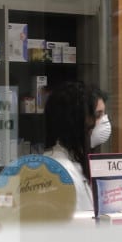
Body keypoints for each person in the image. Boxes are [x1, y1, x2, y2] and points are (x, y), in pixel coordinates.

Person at [43, 82, 100, 216]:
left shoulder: (71, 161)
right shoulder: (61, 171)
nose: (101, 122)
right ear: (77, 120)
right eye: (97, 115)